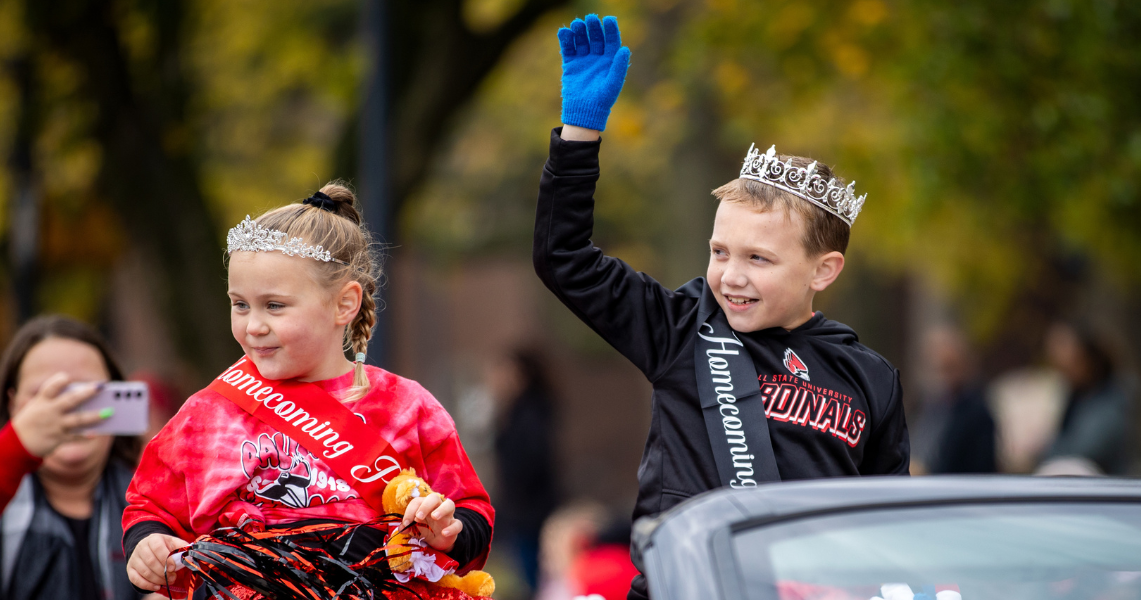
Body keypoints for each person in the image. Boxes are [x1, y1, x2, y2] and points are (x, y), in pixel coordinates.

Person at [534, 15, 909, 599]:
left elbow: (890, 523)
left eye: (758, 259)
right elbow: (564, 258)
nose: (730, 276)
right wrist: (580, 132)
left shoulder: (873, 377)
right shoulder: (680, 328)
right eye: (719, 251)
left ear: (824, 270)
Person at [123, 183, 494, 599]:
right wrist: (147, 545)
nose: (253, 325)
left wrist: (448, 532)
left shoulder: (408, 408)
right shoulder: (206, 413)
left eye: (275, 306)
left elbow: (473, 514)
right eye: (240, 304)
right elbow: (149, 507)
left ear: (344, 304)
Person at [0, 315, 142, 600]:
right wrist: (15, 448)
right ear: (13, 405)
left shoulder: (160, 506)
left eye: (87, 393)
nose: (68, 409)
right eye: (44, 395)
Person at [488, 348, 559, 595]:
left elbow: (531, 462)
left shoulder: (529, 413)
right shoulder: (521, 411)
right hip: (524, 509)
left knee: (533, 578)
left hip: (529, 511)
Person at [1038, 322, 1133, 475]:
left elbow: (1083, 452)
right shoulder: (1073, 397)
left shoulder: (1110, 401)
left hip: (1105, 491)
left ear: (1086, 356)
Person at [909, 326, 997, 474]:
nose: (941, 377)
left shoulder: (975, 415)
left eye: (948, 368)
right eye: (935, 368)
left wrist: (923, 471)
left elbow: (976, 471)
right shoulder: (925, 407)